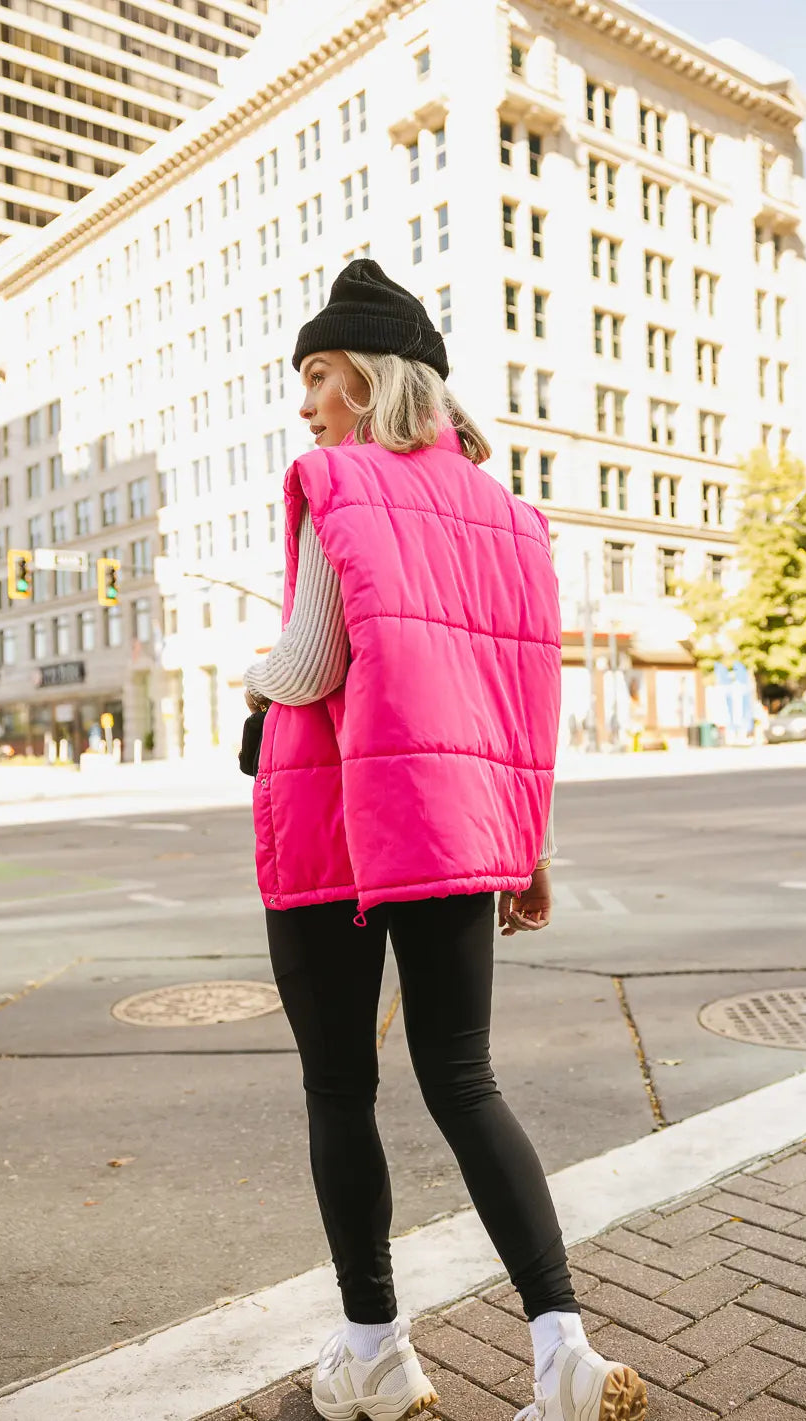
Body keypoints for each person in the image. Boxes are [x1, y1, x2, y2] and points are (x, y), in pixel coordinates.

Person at [243, 260, 647, 1421]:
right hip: (462, 830)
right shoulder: (508, 512)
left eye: (320, 373)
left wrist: (253, 683)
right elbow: (519, 698)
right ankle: (562, 1346)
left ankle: (376, 1349)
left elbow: (312, 664)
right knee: (465, 1079)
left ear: (368, 380)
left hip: (340, 825)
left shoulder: (339, 484)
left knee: (339, 1083)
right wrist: (529, 846)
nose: (308, 400)